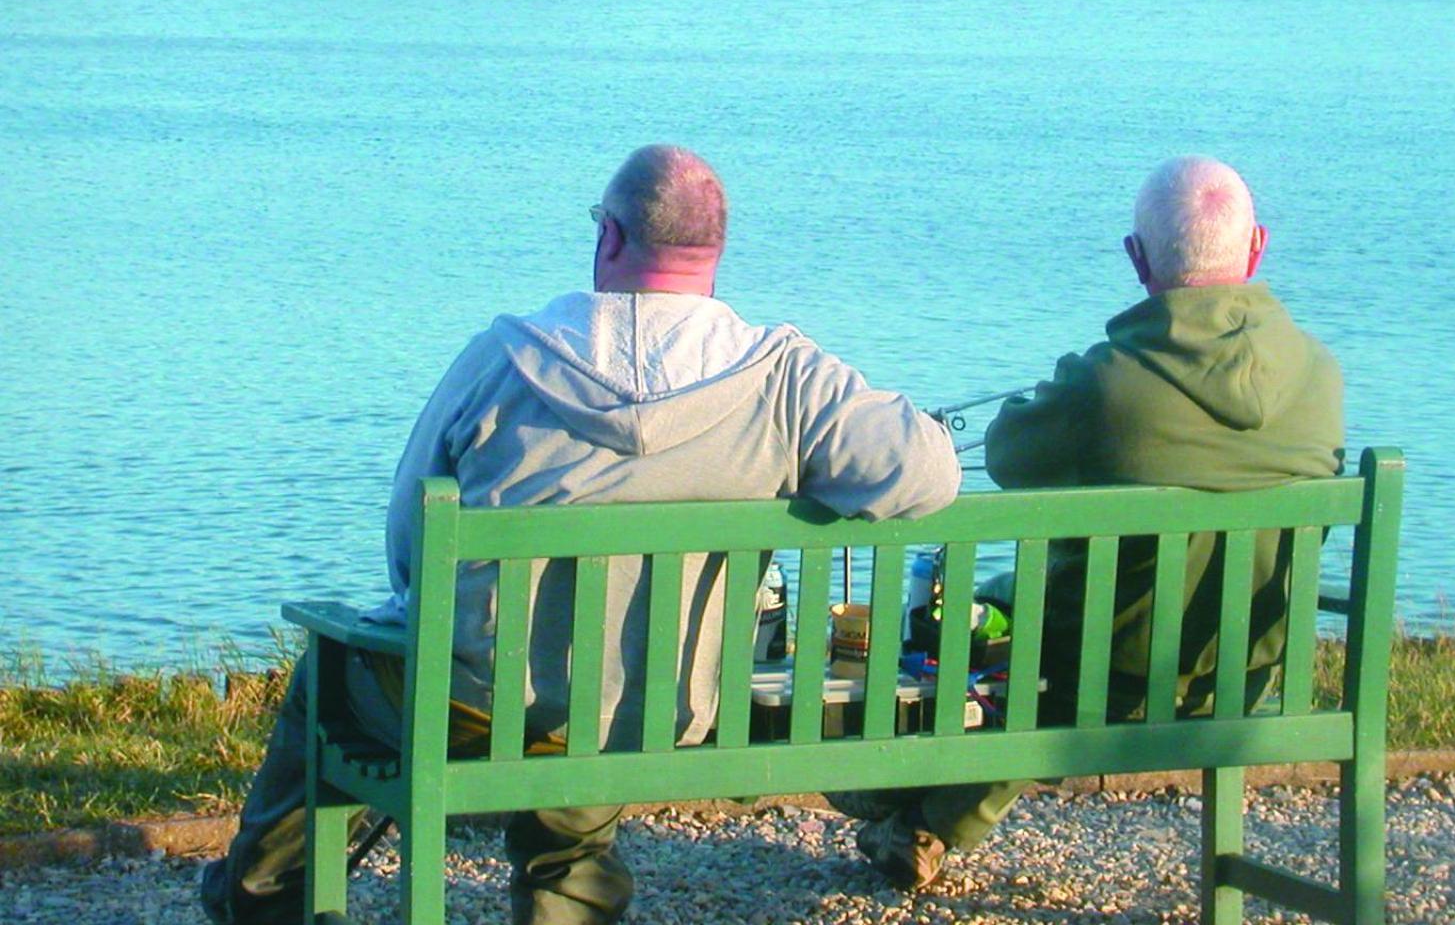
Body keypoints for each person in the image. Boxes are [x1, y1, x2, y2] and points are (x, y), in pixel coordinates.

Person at [201, 144, 961, 925]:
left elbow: (407, 551)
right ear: (715, 251)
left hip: (477, 707)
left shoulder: (503, 359)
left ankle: (262, 900)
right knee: (600, 692)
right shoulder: (789, 378)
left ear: (609, 238)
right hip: (657, 707)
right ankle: (565, 893)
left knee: (328, 676)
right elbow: (930, 475)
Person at [835, 154, 1344, 892]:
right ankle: (923, 820)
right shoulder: (1321, 375)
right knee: (1039, 607)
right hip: (1249, 673)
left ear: (1136, 258)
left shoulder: (1106, 385)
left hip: (1102, 679)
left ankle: (896, 791)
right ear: (1257, 246)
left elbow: (1008, 452)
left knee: (990, 618)